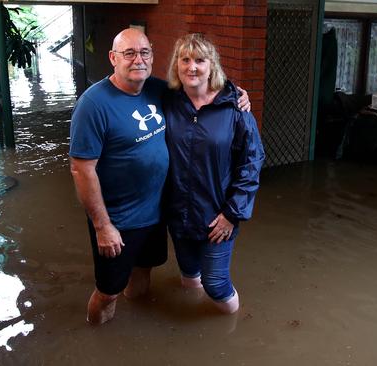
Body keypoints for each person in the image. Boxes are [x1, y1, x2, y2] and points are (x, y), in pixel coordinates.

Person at [69, 28, 250, 325]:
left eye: (144, 52)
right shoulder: (93, 104)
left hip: (156, 215)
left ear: (153, 57)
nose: (137, 60)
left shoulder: (159, 90)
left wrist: (237, 93)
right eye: (129, 53)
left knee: (143, 272)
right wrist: (103, 226)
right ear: (113, 58)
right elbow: (81, 169)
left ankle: (139, 319)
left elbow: (203, 84)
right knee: (108, 291)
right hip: (118, 220)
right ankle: (96, 334)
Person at [164, 34, 265, 314]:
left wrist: (233, 214)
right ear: (177, 65)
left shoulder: (235, 107)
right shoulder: (169, 101)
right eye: (185, 60)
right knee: (188, 274)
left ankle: (235, 328)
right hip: (179, 212)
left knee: (216, 284)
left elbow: (252, 162)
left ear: (213, 66)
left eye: (200, 60)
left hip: (218, 215)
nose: (192, 67)